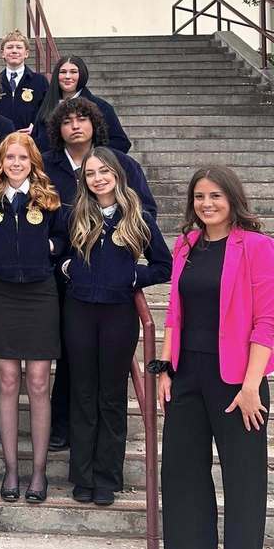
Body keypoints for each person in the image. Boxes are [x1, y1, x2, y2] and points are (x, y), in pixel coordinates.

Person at [155, 166, 274, 549]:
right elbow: (175, 314)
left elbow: (267, 321)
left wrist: (250, 386)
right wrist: (165, 369)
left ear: (233, 199)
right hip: (186, 379)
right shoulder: (186, 245)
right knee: (182, 484)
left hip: (237, 383)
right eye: (199, 196)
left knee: (244, 490)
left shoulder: (258, 247)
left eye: (215, 196)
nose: (206, 204)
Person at [42, 97, 157, 451]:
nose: (75, 125)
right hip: (68, 286)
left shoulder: (120, 164)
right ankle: (66, 433)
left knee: (105, 382)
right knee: (72, 369)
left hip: (112, 290)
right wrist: (64, 264)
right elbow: (51, 229)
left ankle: (106, 464)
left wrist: (127, 270)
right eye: (68, 120)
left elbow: (146, 217)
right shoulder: (48, 165)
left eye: (82, 119)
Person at [61, 148, 170, 505]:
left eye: (104, 171)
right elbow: (55, 254)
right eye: (91, 173)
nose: (98, 178)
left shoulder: (136, 216)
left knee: (110, 396)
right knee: (83, 392)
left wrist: (132, 275)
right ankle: (82, 475)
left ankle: (107, 476)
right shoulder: (75, 213)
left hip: (118, 314)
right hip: (79, 311)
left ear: (117, 174)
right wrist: (68, 269)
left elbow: (163, 265)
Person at [0, 133, 66, 502]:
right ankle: (11, 469)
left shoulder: (48, 197)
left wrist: (48, 246)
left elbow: (63, 239)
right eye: (10, 157)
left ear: (33, 162)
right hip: (2, 293)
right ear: (2, 160)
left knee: (38, 382)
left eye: (23, 157)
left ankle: (39, 472)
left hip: (39, 293)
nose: (16, 163)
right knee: (8, 380)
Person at [34, 56, 130, 154]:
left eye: (73, 72)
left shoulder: (101, 107)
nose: (67, 76)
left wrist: (89, 155)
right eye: (63, 72)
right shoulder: (46, 105)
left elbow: (121, 143)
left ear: (82, 75)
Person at [0, 31, 49, 132]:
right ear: (2, 53)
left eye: (19, 47)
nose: (14, 51)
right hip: (1, 140)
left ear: (26, 53)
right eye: (10, 47)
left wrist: (36, 127)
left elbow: (47, 109)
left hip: (30, 139)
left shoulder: (40, 81)